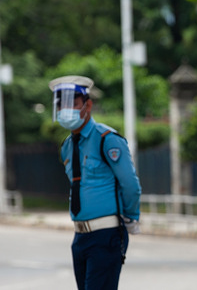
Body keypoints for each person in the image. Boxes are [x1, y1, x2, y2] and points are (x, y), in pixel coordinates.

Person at [49, 75, 142, 290]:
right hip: (79, 236)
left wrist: (131, 217)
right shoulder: (66, 146)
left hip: (106, 235)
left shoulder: (107, 138)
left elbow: (130, 183)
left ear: (88, 105)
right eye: (61, 103)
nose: (65, 109)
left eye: (72, 102)